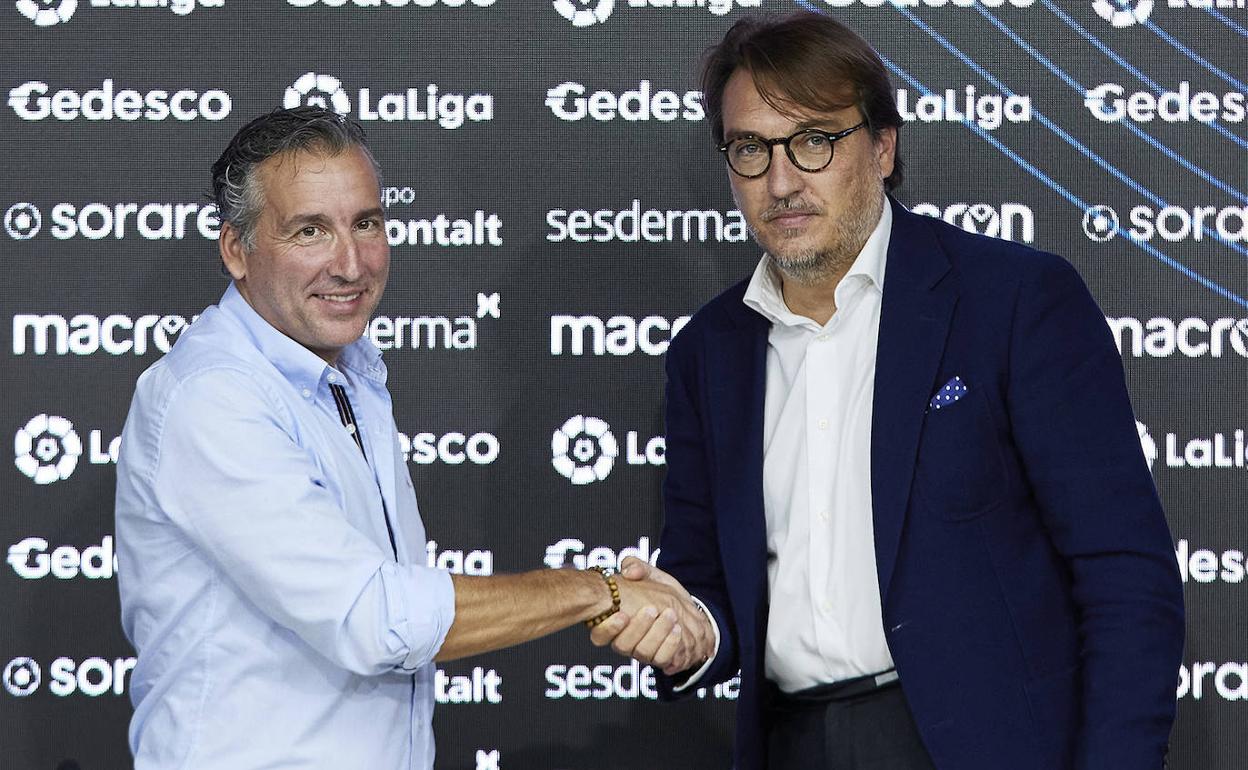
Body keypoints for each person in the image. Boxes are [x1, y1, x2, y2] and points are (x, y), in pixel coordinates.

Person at [591, 11, 1185, 770]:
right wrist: (687, 631)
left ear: (881, 146)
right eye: (750, 149)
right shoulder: (709, 353)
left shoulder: (1013, 301)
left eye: (813, 139)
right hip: (789, 744)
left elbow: (1124, 575)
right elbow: (705, 584)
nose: (781, 180)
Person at [113, 106, 713, 769]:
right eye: (309, 230)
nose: (349, 263)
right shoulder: (214, 396)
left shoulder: (349, 371)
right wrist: (600, 590)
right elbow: (375, 618)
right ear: (236, 249)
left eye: (365, 223)